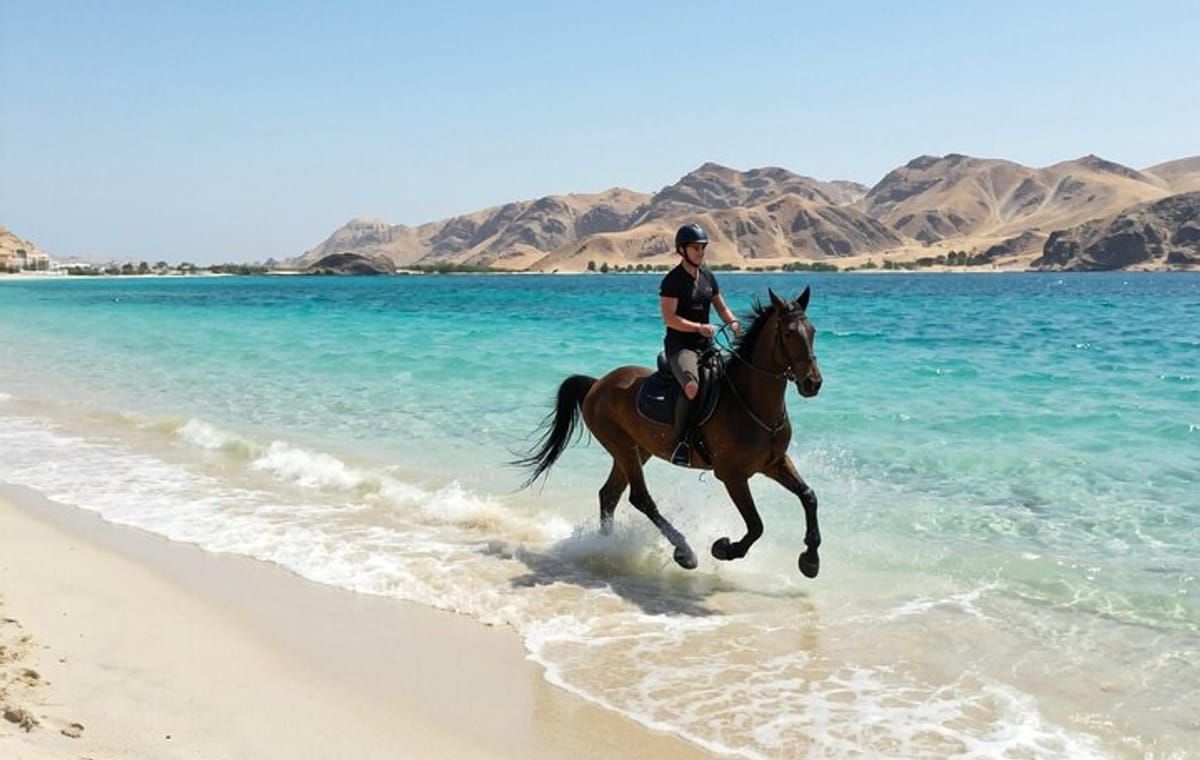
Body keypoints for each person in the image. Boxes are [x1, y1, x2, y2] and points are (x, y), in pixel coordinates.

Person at [659, 223, 740, 465]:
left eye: (702, 247)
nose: (700, 252)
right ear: (682, 250)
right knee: (692, 387)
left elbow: (722, 307)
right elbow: (669, 318)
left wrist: (734, 324)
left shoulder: (708, 277)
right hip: (680, 347)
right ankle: (681, 441)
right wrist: (698, 328)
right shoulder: (672, 281)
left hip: (706, 345)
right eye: (695, 248)